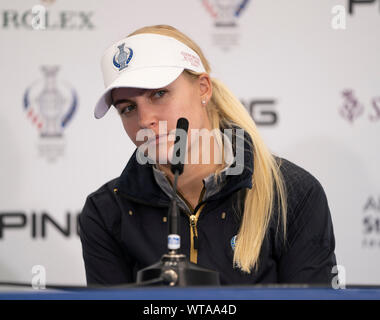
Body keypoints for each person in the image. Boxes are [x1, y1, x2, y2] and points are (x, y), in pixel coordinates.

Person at [79, 25, 337, 286]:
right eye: (128, 108)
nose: (145, 120)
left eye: (159, 94)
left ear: (203, 88)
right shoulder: (106, 212)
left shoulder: (293, 194)